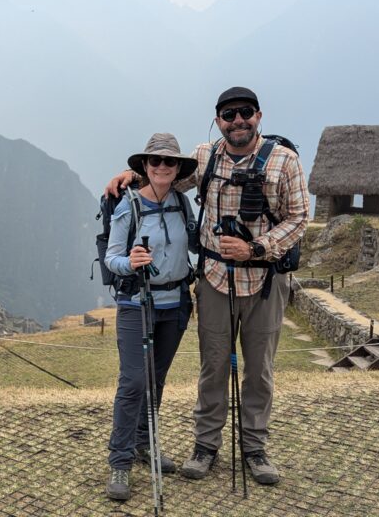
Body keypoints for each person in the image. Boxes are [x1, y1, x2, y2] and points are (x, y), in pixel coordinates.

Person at [105, 87, 308, 486]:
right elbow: (167, 179)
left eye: (245, 113)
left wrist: (255, 247)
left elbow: (300, 217)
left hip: (265, 279)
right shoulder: (205, 156)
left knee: (259, 371)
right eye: (229, 115)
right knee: (213, 366)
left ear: (259, 116)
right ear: (218, 122)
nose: (238, 121)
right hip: (215, 280)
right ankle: (205, 446)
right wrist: (131, 176)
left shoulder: (285, 161)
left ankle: (255, 449)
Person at [103, 133, 198, 501]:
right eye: (155, 162)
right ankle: (120, 462)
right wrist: (131, 262)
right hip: (136, 304)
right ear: (144, 167)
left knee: (155, 381)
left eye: (169, 163)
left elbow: (193, 244)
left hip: (175, 304)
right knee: (132, 383)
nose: (161, 167)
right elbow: (112, 257)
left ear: (177, 170)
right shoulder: (128, 206)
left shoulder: (182, 204)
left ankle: (145, 444)